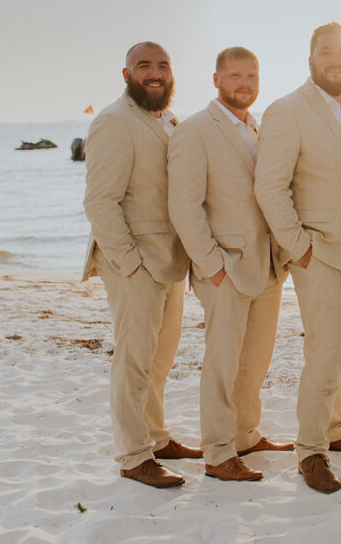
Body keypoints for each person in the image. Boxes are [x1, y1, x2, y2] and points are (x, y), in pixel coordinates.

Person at [254, 23, 341, 494]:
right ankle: (310, 451)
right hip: (321, 253)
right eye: (326, 53)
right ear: (311, 61)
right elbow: (270, 186)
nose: (336, 61)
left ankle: (335, 426)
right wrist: (300, 248)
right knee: (324, 354)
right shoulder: (287, 111)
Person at [167, 47, 295, 482]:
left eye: (252, 75)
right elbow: (184, 206)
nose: (245, 83)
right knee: (222, 363)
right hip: (225, 268)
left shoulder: (258, 129)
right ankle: (218, 452)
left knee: (255, 360)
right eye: (235, 75)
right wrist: (212, 266)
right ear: (217, 79)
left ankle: (244, 433)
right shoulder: (196, 131)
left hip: (269, 266)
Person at [82, 41, 195, 488]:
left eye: (163, 65)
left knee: (160, 359)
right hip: (135, 263)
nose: (155, 73)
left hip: (169, 261)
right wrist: (129, 264)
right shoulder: (113, 122)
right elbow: (100, 202)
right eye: (144, 65)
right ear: (126, 73)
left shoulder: (167, 119)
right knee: (134, 359)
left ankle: (155, 436)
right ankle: (133, 455)